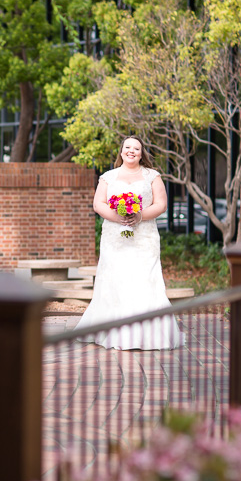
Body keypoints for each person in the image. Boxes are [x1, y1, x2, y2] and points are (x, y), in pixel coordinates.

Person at [75, 136, 182, 350]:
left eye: (137, 148)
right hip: (115, 238)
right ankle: (115, 333)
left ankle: (149, 334)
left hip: (144, 238)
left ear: (142, 153)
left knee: (144, 279)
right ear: (121, 151)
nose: (131, 151)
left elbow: (161, 204)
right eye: (128, 147)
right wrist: (119, 218)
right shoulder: (108, 177)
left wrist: (139, 216)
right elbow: (98, 204)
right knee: (116, 279)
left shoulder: (152, 175)